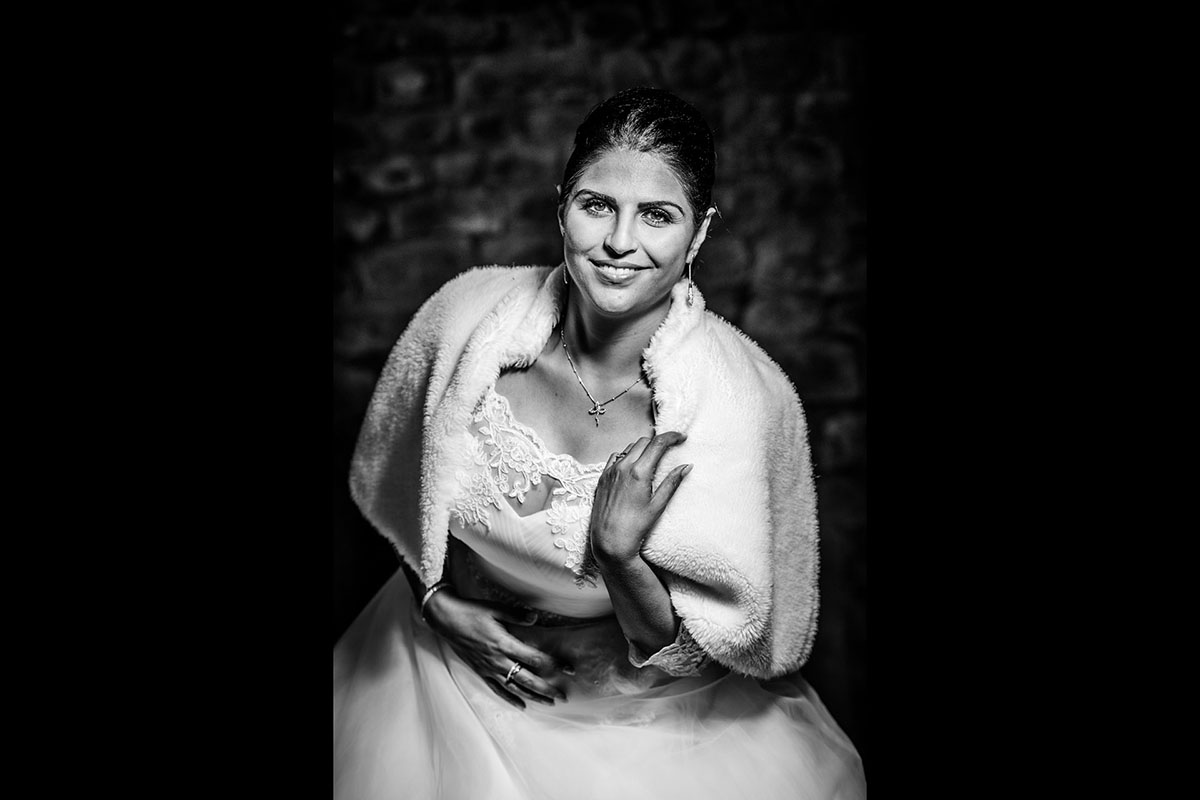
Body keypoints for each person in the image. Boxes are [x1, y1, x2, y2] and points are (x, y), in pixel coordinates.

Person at [334, 87, 866, 799]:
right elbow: (402, 489)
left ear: (699, 234)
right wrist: (435, 603)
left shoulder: (739, 405)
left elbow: (702, 649)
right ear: (561, 207)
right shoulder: (464, 322)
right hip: (428, 683)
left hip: (628, 739)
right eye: (596, 206)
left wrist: (620, 556)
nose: (620, 242)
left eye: (657, 216)